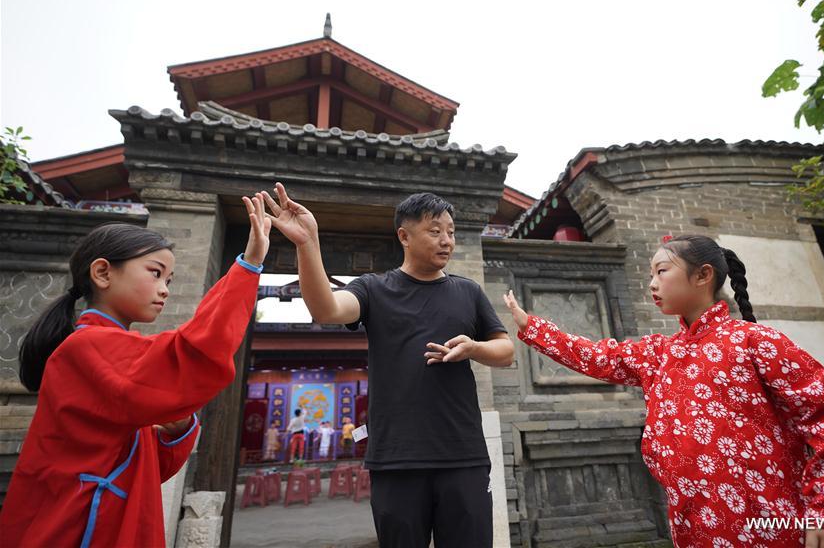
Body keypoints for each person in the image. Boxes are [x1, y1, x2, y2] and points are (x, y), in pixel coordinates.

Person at [503, 234, 824, 548]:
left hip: (768, 525)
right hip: (694, 527)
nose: (651, 283)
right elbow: (597, 356)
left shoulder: (755, 341)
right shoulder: (659, 353)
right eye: (651, 275)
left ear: (703, 275)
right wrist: (532, 327)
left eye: (661, 271)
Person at [0, 195, 271, 548]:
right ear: (102, 273)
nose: (164, 290)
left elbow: (145, 469)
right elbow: (194, 354)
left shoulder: (113, 353)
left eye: (170, 281)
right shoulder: (88, 348)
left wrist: (178, 430)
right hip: (83, 530)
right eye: (155, 273)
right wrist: (248, 266)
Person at [262, 183, 514, 548]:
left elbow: (505, 351)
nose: (446, 240)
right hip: (396, 458)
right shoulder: (374, 289)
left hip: (463, 455)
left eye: (451, 232)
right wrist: (307, 243)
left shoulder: (468, 291)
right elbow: (326, 310)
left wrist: (474, 347)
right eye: (434, 231)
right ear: (404, 236)